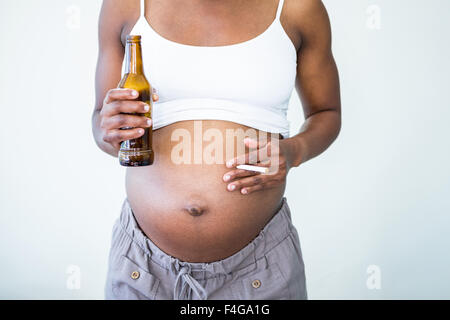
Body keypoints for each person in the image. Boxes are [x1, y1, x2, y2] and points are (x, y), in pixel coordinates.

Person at [92, 0, 341, 300]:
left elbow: (327, 112)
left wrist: (293, 152)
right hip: (143, 269)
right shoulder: (126, 5)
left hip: (259, 270)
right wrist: (108, 127)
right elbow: (102, 124)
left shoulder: (297, 8)